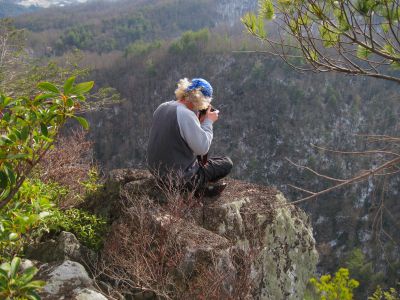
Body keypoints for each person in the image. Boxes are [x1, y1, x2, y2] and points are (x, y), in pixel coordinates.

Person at [147, 77, 233, 197]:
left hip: (157, 172)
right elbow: (202, 149)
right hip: (179, 179)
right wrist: (208, 122)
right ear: (202, 100)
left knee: (202, 162)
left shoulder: (162, 107)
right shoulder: (185, 114)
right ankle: (196, 190)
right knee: (226, 163)